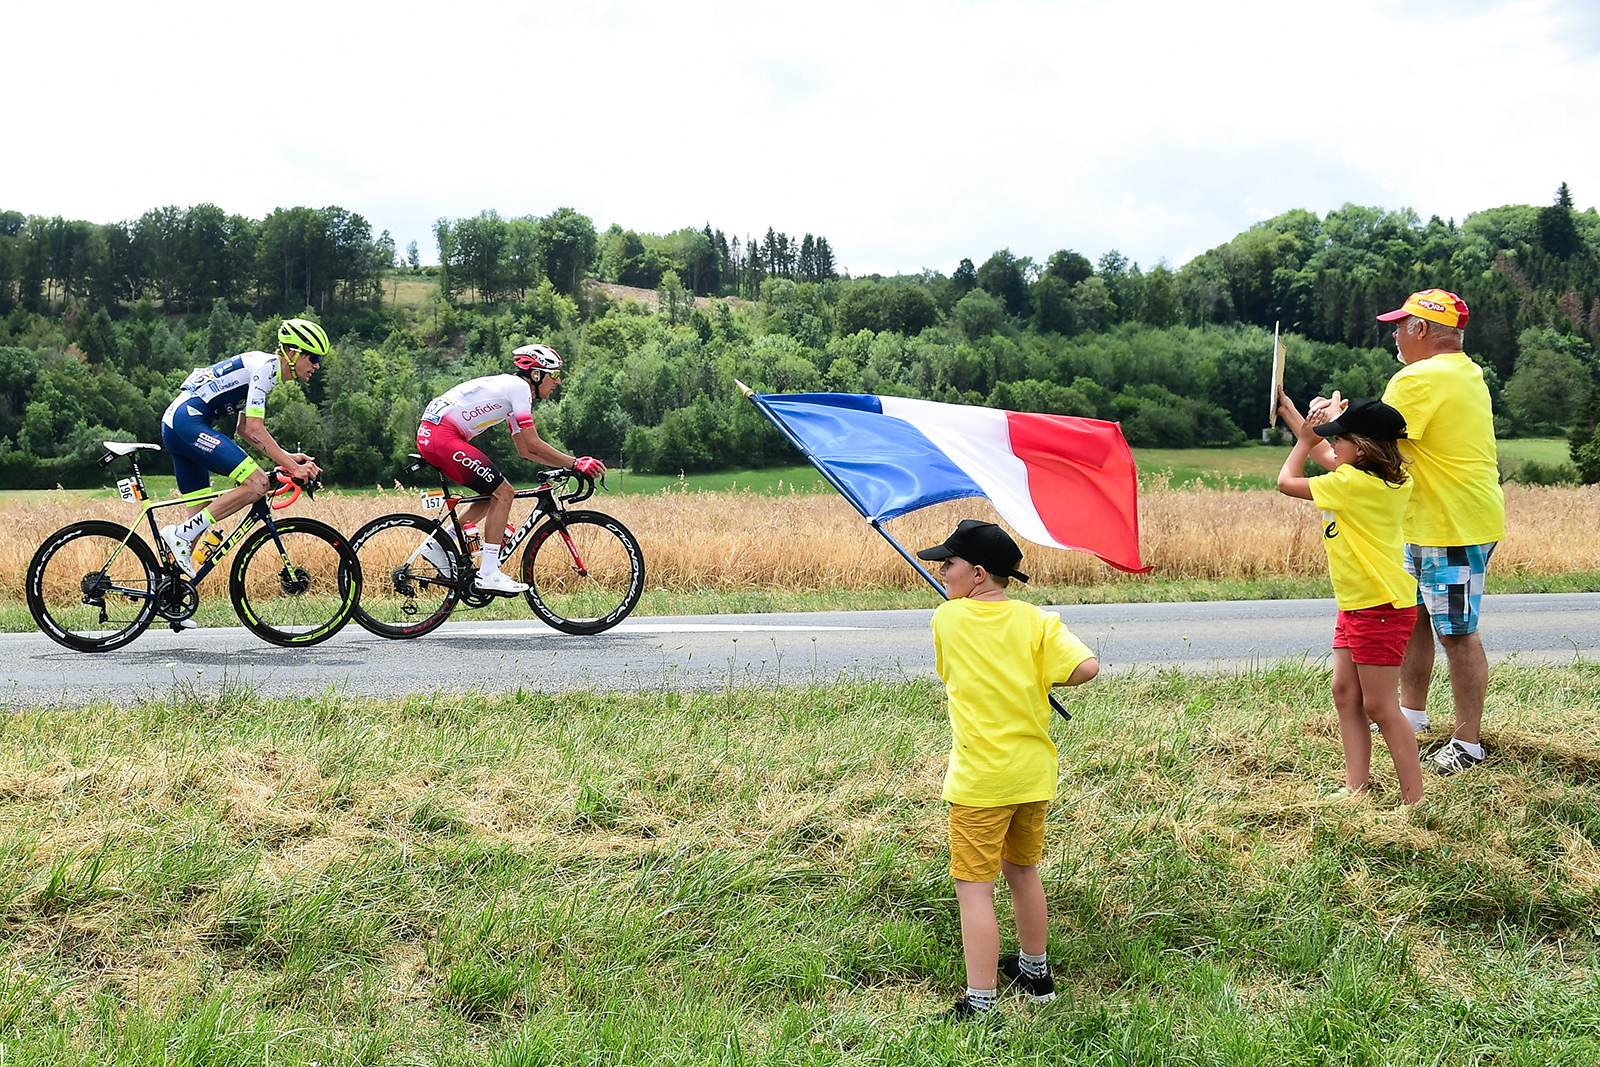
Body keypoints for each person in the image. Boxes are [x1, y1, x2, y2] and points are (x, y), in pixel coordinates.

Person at [1299, 290, 1504, 774]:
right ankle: (1411, 713)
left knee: (1456, 631)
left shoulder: (1421, 376)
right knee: (1412, 617)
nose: (1393, 334)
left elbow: (1378, 437)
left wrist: (1328, 423)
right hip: (1435, 518)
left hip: (1448, 523)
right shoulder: (1465, 371)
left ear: (1420, 330)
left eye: (1399, 326)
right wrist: (1333, 423)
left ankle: (1467, 742)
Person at [915, 519, 1099, 1022]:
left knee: (974, 887)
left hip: (981, 783)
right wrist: (1039, 675)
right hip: (1032, 775)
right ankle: (1037, 975)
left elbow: (949, 665)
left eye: (947, 564)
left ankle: (980, 1002)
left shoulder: (946, 621)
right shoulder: (1038, 620)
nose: (940, 572)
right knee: (1023, 871)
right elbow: (1086, 668)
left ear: (976, 573)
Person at [1277, 395, 1425, 805]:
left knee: (1380, 705)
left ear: (1360, 450)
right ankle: (1355, 789)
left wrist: (1304, 442)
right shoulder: (1387, 479)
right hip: (1362, 603)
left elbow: (1287, 482)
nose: (1332, 446)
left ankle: (1414, 802)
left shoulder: (1351, 484)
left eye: (1338, 439)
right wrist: (1293, 414)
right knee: (1345, 691)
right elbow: (1331, 455)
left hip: (1377, 607)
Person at [415, 343, 607, 595]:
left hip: (434, 435)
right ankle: (489, 573)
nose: (558, 382)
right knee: (505, 493)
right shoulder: (519, 389)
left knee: (492, 495)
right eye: (555, 374)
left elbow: (526, 450)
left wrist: (567, 465)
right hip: (443, 437)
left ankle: (442, 543)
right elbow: (534, 443)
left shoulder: (510, 389)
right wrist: (575, 463)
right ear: (536, 375)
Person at [159, 318, 328, 576]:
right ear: (293, 353)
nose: (317, 365)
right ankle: (179, 534)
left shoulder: (264, 369)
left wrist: (286, 456)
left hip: (178, 424)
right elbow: (254, 429)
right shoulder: (267, 368)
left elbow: (243, 429)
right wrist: (292, 467)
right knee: (259, 484)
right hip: (187, 422)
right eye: (314, 357)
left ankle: (169, 600)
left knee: (198, 521)